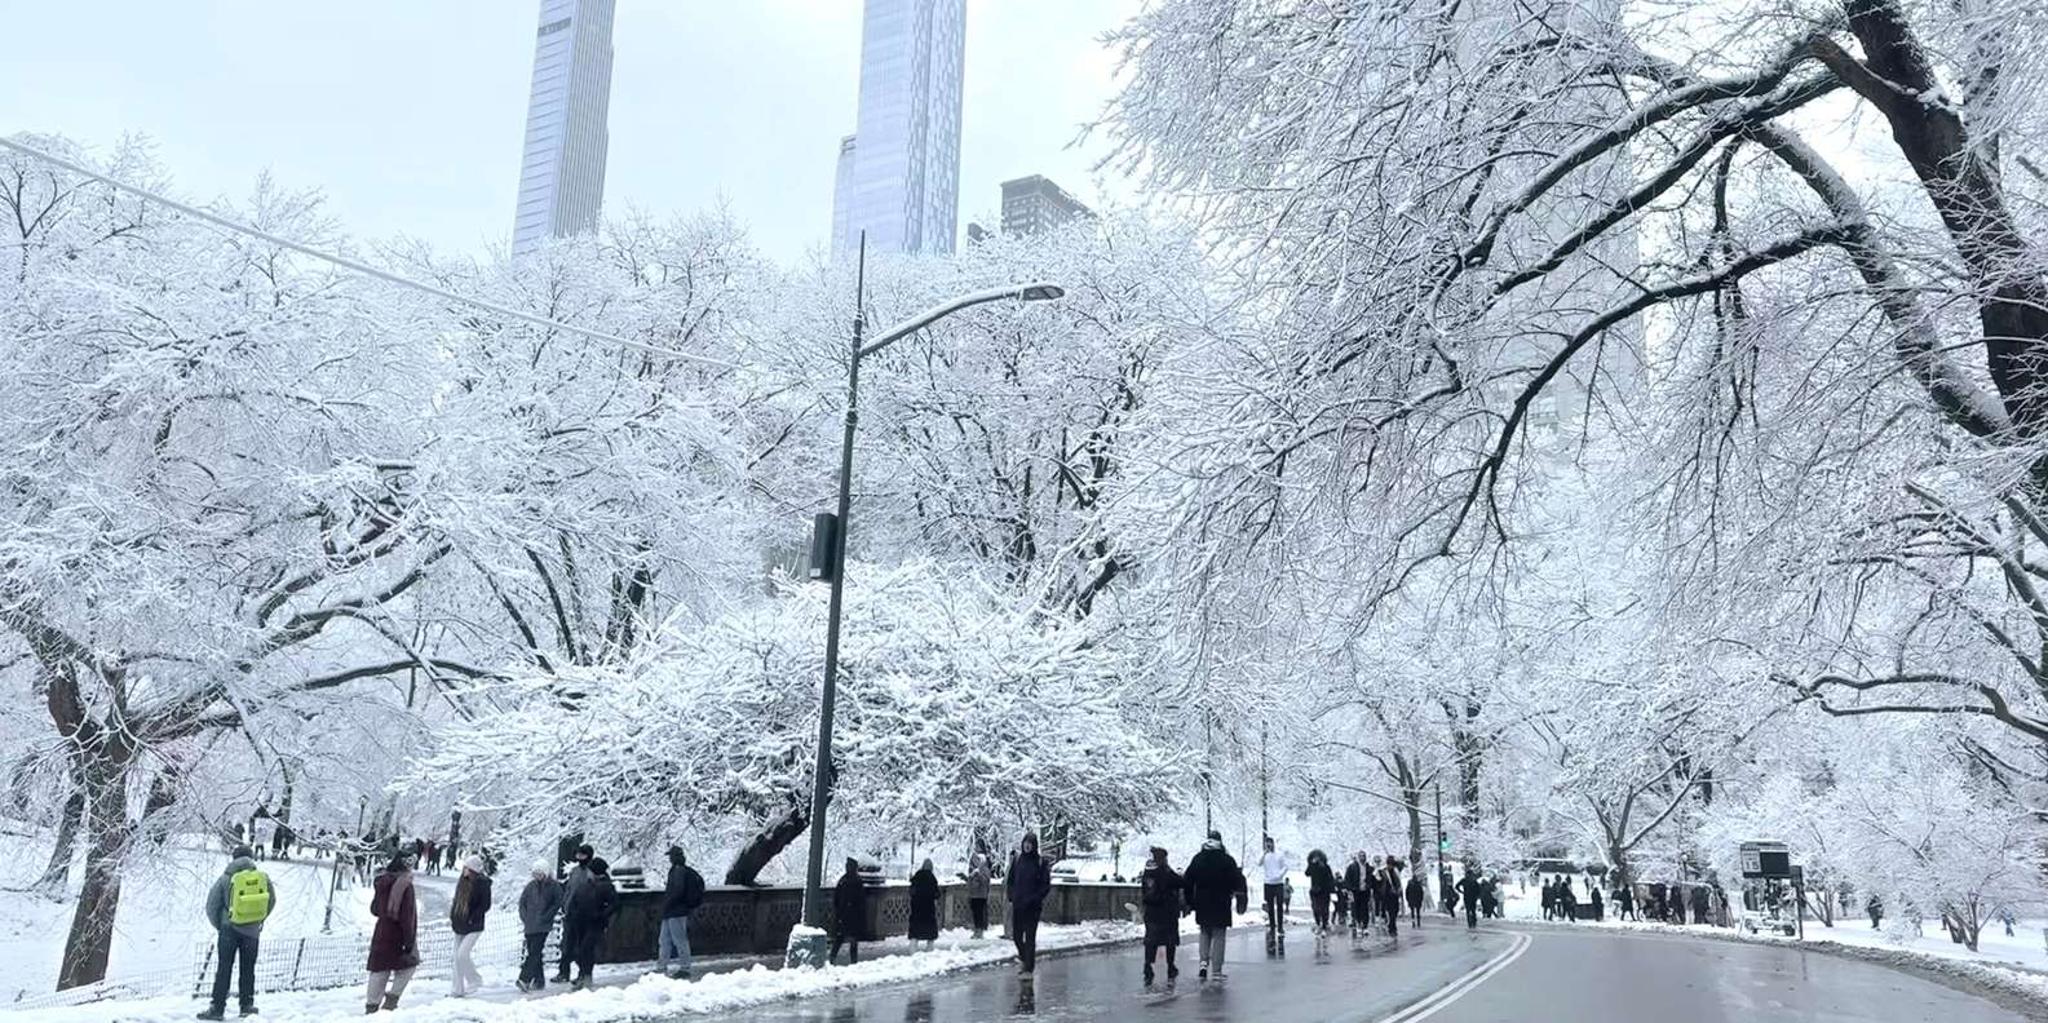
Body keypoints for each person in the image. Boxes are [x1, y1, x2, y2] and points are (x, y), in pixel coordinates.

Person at [197, 845, 273, 1020]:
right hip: (252, 932)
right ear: (251, 858)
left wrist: (222, 924)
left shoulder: (226, 878)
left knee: (224, 968)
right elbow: (271, 900)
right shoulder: (263, 878)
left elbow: (211, 906)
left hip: (228, 930)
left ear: (234, 858)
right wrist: (257, 919)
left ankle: (217, 1008)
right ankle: (246, 1005)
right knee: (248, 969)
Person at [1182, 830, 1247, 981]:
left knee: (1204, 932)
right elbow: (1237, 881)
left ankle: (1203, 963)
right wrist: (1237, 895)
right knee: (1218, 935)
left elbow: (1188, 880)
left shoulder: (1198, 858)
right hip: (1221, 902)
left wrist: (1190, 901)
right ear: (1220, 842)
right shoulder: (1227, 860)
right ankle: (1216, 970)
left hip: (1202, 902)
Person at [365, 854, 418, 1013]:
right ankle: (391, 1002)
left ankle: (371, 1008)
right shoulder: (406, 885)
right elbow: (407, 916)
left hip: (381, 931)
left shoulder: (381, 881)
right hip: (398, 934)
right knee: (410, 965)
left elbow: (374, 910)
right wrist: (409, 942)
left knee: (380, 969)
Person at [566, 857, 617, 990]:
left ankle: (586, 976)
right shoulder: (586, 885)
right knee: (579, 950)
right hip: (580, 922)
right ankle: (583, 974)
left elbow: (614, 904)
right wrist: (573, 913)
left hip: (595, 922)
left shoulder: (606, 886)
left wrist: (602, 915)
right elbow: (575, 901)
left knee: (586, 949)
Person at [446, 855, 492, 997]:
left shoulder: (482, 884)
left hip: (474, 925)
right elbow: (456, 901)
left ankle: (475, 979)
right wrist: (453, 917)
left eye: (467, 867)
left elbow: (485, 905)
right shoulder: (462, 882)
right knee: (456, 957)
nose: (464, 870)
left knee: (462, 955)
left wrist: (473, 918)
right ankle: (457, 989)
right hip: (459, 923)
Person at [1008, 833, 1053, 975]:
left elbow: (1045, 885)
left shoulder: (1040, 862)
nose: (1027, 846)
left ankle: (1028, 967)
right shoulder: (1018, 860)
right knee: (1016, 936)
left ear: (1034, 845)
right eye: (1025, 843)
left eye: (1030, 843)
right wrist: (1011, 895)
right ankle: (1024, 957)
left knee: (1030, 937)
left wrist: (1035, 898)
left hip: (1032, 907)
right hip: (1018, 905)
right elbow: (1011, 879)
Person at [658, 845, 706, 978]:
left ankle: (684, 968)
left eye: (671, 856)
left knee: (677, 940)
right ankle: (663, 966)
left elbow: (677, 891)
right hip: (673, 911)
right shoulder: (679, 870)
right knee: (666, 940)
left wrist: (667, 903)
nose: (669, 859)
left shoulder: (678, 871)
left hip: (676, 911)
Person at [1139, 846, 1183, 985]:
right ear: (1163, 858)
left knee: (1151, 941)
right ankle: (1171, 967)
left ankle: (1148, 966)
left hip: (1151, 912)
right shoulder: (1165, 872)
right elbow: (1180, 882)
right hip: (1167, 912)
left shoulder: (1147, 872)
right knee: (1170, 941)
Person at [517, 861, 563, 993]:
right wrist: (524, 917)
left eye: (540, 873)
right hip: (530, 924)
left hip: (543, 925)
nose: (537, 876)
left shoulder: (554, 887)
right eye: (535, 873)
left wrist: (547, 916)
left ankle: (524, 978)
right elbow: (522, 903)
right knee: (533, 951)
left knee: (534, 952)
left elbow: (557, 902)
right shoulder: (530, 886)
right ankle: (539, 980)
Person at [554, 844, 595, 983]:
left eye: (582, 855)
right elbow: (569, 890)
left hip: (583, 915)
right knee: (566, 944)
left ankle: (582, 973)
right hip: (570, 912)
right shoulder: (575, 871)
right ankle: (563, 972)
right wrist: (564, 904)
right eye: (578, 855)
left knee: (580, 947)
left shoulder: (590, 873)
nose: (579, 858)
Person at [831, 857, 869, 965]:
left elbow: (836, 898)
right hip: (853, 916)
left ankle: (832, 958)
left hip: (843, 915)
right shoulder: (857, 881)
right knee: (853, 940)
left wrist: (838, 910)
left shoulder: (843, 880)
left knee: (839, 938)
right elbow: (861, 901)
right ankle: (853, 961)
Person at [1258, 836, 1289, 937]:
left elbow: (1285, 866)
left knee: (1280, 905)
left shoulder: (1279, 855)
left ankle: (1280, 927)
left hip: (1278, 883)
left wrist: (1279, 875)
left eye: (1270, 843)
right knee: (1270, 906)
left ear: (1273, 843)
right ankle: (1272, 926)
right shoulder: (1264, 855)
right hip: (1268, 883)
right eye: (1266, 843)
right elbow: (1258, 863)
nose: (1268, 845)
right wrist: (1264, 853)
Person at [909, 859, 941, 952]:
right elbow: (937, 894)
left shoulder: (917, 876)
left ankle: (913, 948)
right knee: (929, 929)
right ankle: (929, 948)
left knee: (915, 929)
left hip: (917, 907)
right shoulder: (932, 878)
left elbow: (911, 891)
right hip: (928, 908)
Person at [1304, 849, 1335, 936]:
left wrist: (1332, 890)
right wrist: (1311, 864)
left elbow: (1330, 878)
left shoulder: (1326, 867)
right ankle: (1318, 923)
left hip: (1325, 890)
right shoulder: (1312, 866)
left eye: (1318, 857)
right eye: (1314, 857)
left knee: (1324, 909)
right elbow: (1307, 873)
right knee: (1315, 908)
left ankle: (1324, 925)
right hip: (1314, 890)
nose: (1316, 859)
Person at [965, 848, 994, 939]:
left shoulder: (984, 869)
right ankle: (976, 930)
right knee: (975, 913)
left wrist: (978, 875)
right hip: (973, 894)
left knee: (980, 914)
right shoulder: (973, 870)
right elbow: (970, 881)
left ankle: (980, 931)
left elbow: (986, 881)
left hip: (981, 895)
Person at [1455, 865, 1482, 930]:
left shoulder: (1464, 880)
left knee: (1468, 910)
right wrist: (1478, 896)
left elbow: (1456, 886)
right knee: (1473, 910)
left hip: (1466, 897)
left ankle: (1470, 923)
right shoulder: (1474, 881)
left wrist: (1461, 891)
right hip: (1473, 898)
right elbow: (1479, 889)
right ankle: (1474, 922)